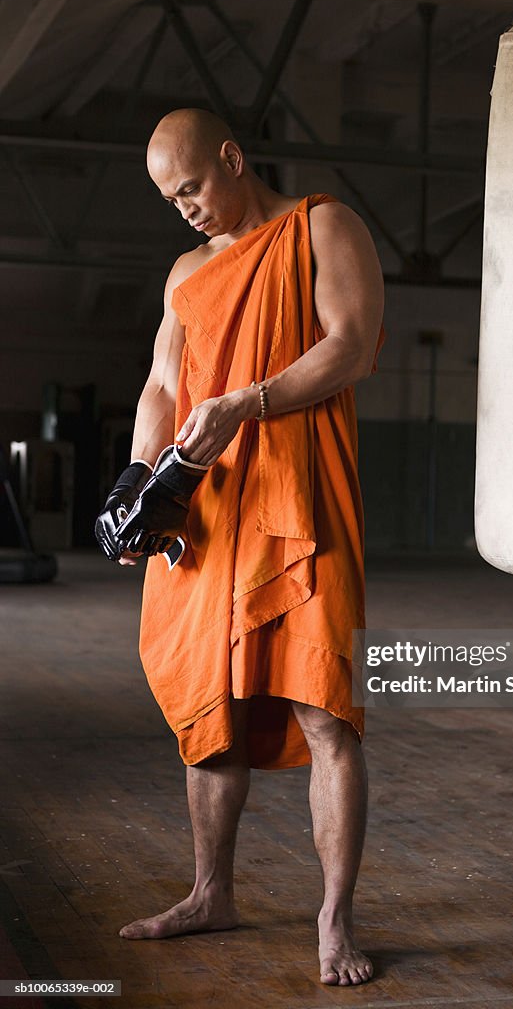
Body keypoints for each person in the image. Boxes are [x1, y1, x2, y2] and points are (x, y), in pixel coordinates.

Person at [96, 107, 385, 987]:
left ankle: (334, 917)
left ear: (232, 157)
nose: (184, 209)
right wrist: (136, 482)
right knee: (206, 715)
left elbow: (353, 345)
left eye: (190, 187)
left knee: (324, 712)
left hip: (298, 498)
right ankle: (208, 893)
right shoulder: (188, 271)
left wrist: (246, 405)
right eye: (169, 199)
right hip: (205, 508)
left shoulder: (319, 226)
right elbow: (162, 384)